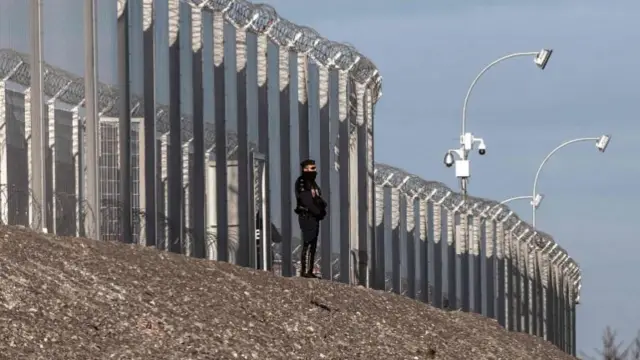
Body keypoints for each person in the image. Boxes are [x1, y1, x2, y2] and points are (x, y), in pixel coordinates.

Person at [294, 159, 327, 278]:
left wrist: (321, 209)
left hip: (314, 217)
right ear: (305, 169)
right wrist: (318, 211)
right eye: (311, 168)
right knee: (307, 243)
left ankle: (309, 270)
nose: (314, 170)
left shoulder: (313, 183)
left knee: (313, 244)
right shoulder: (302, 182)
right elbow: (306, 200)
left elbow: (318, 198)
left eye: (314, 168)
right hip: (306, 216)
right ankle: (304, 271)